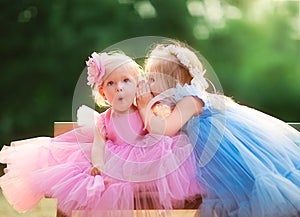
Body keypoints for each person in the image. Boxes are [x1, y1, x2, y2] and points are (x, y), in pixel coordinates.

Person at [0, 51, 202, 217]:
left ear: (138, 84)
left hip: (144, 159)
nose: (119, 87)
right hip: (114, 162)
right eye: (111, 84)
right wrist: (98, 163)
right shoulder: (103, 120)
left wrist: (144, 106)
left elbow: (157, 131)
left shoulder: (145, 109)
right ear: (104, 93)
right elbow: (99, 145)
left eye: (125, 80)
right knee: (101, 186)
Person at [137, 40, 300, 217]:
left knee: (246, 190)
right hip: (215, 154)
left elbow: (166, 129)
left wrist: (144, 106)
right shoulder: (182, 100)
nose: (148, 83)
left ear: (171, 81)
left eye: (152, 79)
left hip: (226, 153)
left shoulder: (190, 100)